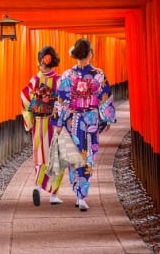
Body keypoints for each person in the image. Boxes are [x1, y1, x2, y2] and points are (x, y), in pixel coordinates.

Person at [51, 38, 117, 211]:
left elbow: (61, 100)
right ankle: (82, 195)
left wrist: (59, 122)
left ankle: (78, 192)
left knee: (75, 157)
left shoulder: (67, 75)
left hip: (73, 120)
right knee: (88, 156)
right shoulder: (98, 74)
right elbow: (105, 97)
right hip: (91, 120)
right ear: (90, 53)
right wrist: (106, 118)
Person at [20, 46, 64, 206]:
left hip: (39, 122)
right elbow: (63, 101)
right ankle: (53, 195)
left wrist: (29, 118)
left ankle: (38, 186)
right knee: (57, 157)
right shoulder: (59, 80)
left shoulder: (35, 80)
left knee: (40, 156)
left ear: (40, 62)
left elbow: (24, 96)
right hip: (54, 123)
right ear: (54, 62)